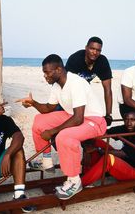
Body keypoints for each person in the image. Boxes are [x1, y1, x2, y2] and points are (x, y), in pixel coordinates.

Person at [16, 54, 107, 200]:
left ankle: (74, 181)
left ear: (58, 69)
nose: (45, 76)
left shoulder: (76, 83)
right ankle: (46, 161)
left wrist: (52, 131)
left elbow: (78, 119)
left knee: (64, 137)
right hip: (73, 115)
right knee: (39, 121)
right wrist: (33, 103)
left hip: (94, 121)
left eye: (47, 72)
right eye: (44, 72)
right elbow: (48, 108)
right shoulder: (57, 85)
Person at [81, 112, 135, 187]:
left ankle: (81, 183)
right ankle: (89, 173)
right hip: (125, 162)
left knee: (108, 159)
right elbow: (104, 133)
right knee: (96, 141)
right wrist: (88, 143)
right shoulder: (125, 128)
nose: (129, 123)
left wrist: (98, 149)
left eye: (132, 120)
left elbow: (122, 153)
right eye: (126, 120)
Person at [65, 36, 113, 125]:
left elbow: (108, 90)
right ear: (86, 48)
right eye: (92, 49)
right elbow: (65, 83)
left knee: (91, 118)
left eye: (98, 50)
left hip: (84, 91)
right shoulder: (75, 59)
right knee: (65, 117)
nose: (94, 52)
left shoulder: (102, 61)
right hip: (68, 91)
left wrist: (108, 114)